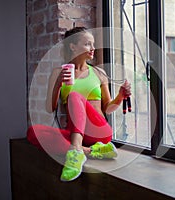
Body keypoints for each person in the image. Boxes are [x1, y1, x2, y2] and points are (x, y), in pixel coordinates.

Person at [27, 27, 131, 182]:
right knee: (32, 132)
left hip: (99, 131)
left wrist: (120, 96)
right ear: (72, 46)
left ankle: (75, 151)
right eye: (87, 44)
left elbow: (108, 108)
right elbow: (50, 108)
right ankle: (89, 151)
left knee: (74, 96)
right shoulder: (58, 72)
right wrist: (58, 84)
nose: (93, 48)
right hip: (76, 134)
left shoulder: (99, 73)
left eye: (93, 44)